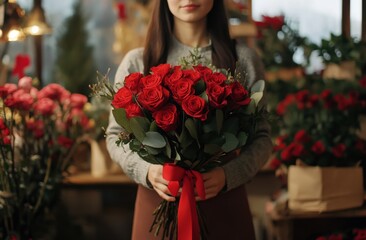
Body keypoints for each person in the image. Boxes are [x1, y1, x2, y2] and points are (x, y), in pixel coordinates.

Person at [106, 0, 273, 239]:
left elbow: (263, 137)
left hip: (223, 200)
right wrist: (147, 171)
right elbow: (114, 137)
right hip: (158, 199)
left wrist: (229, 175)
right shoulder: (137, 62)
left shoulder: (243, 59)